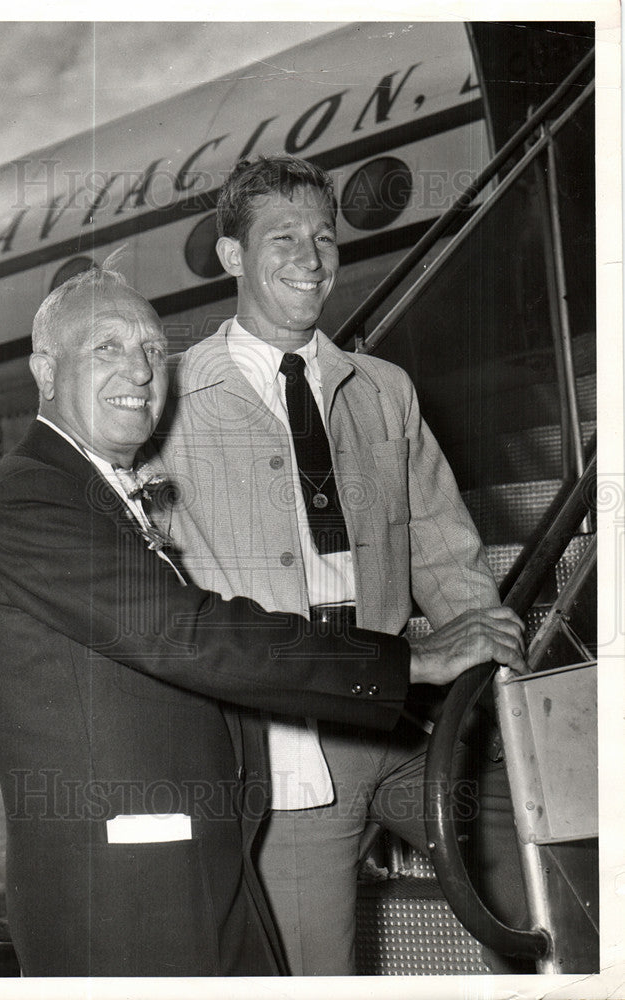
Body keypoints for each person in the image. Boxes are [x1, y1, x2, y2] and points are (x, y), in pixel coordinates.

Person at [0, 263, 524, 977]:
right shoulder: (26, 500)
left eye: (154, 351)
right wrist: (408, 660)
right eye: (107, 347)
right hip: (129, 898)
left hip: (197, 864)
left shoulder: (97, 494)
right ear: (45, 370)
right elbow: (189, 634)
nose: (140, 370)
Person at [152, 155, 526, 975]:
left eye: (324, 237)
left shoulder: (385, 390)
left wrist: (488, 674)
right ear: (231, 257)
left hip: (405, 724)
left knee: (558, 877)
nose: (311, 258)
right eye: (282, 237)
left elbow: (443, 543)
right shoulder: (168, 400)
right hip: (285, 743)